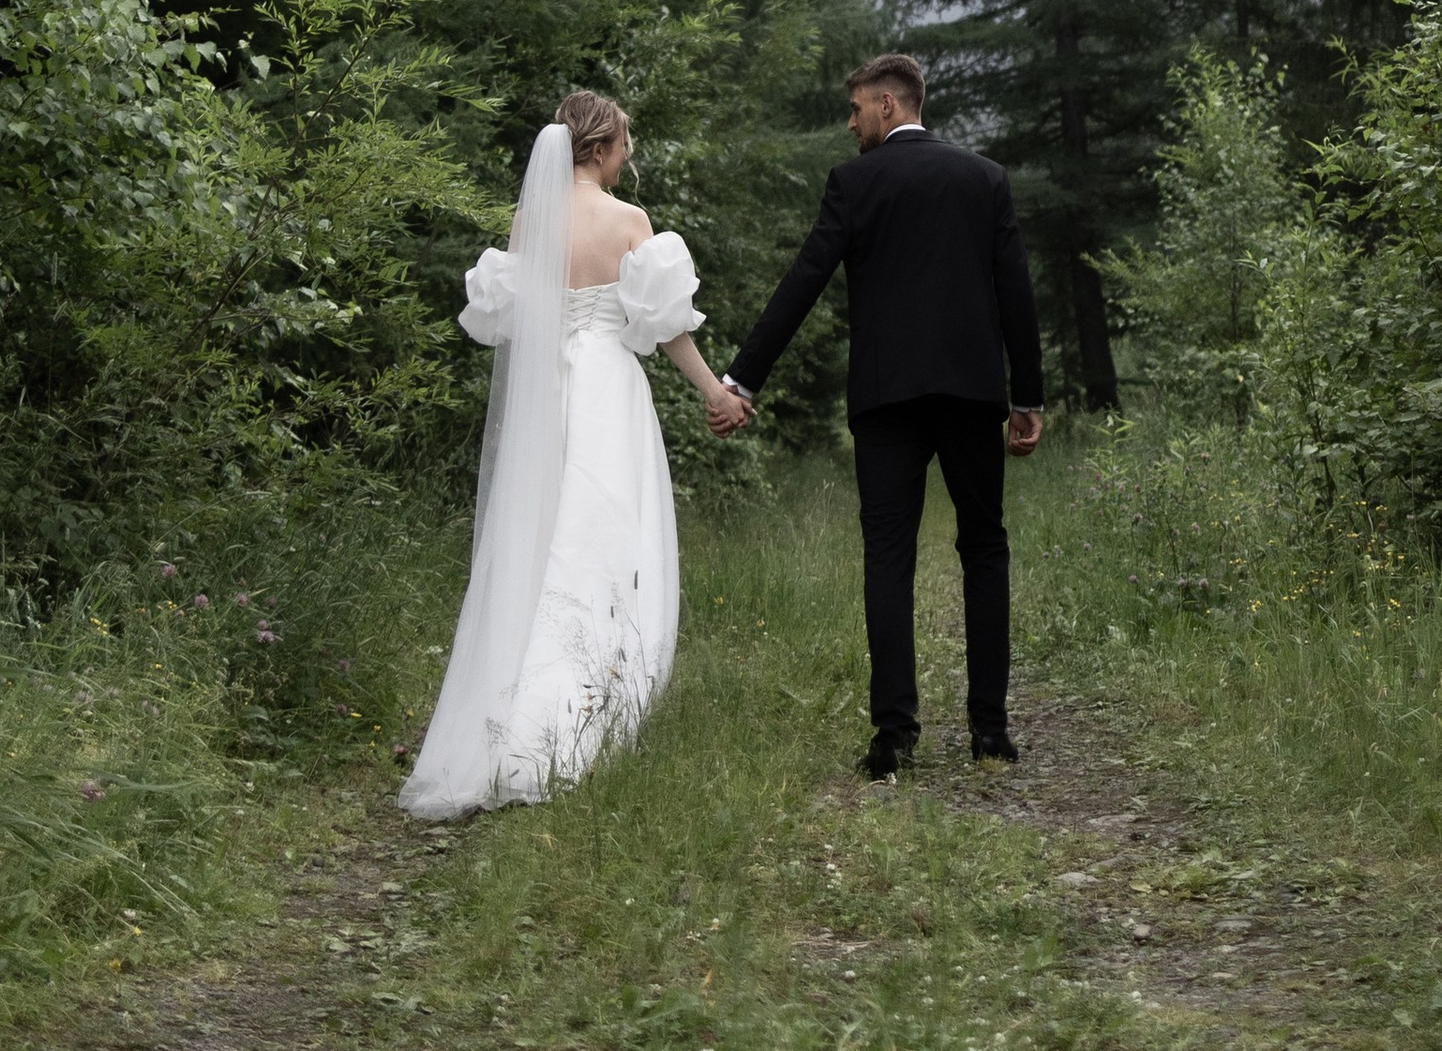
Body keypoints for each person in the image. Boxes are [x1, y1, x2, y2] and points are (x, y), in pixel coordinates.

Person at [399, 88, 752, 818]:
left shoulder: (531, 223)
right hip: (605, 393)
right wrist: (714, 392)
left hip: (546, 400)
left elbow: (505, 321)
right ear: (600, 147)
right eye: (624, 142)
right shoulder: (629, 222)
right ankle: (583, 711)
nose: (628, 155)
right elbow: (665, 328)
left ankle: (516, 715)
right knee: (604, 539)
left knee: (542, 544)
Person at [715, 51, 1044, 777]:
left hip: (886, 398)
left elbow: (805, 278)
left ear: (889, 106)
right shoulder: (984, 178)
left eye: (857, 108)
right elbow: (1014, 290)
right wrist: (1026, 397)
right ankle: (991, 731)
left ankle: (894, 736)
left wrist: (744, 379)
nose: (851, 122)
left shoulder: (856, 183)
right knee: (985, 548)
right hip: (969, 393)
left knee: (888, 558)